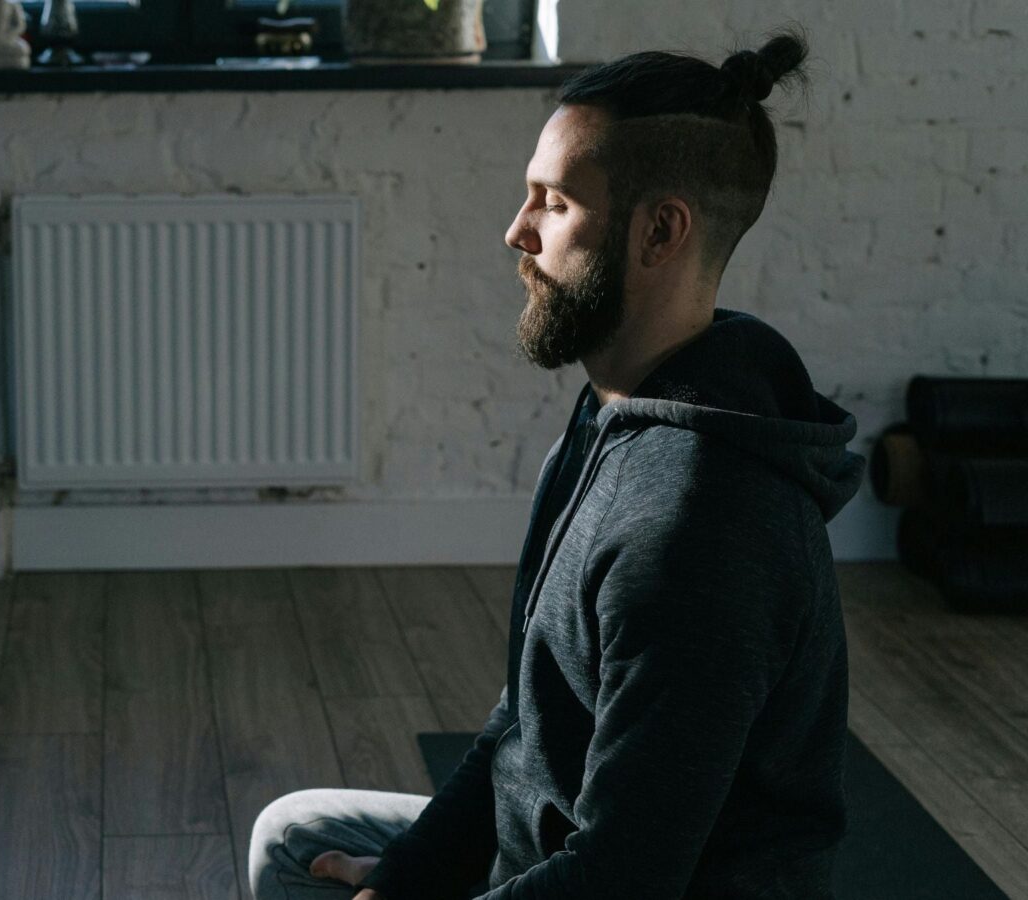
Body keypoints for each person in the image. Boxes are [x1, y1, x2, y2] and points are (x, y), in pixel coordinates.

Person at [249, 25, 869, 900]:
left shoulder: (699, 530)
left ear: (660, 232)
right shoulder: (614, 415)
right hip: (550, 854)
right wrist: (407, 879)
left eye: (554, 202)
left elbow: (622, 878)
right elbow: (526, 722)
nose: (516, 232)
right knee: (294, 836)